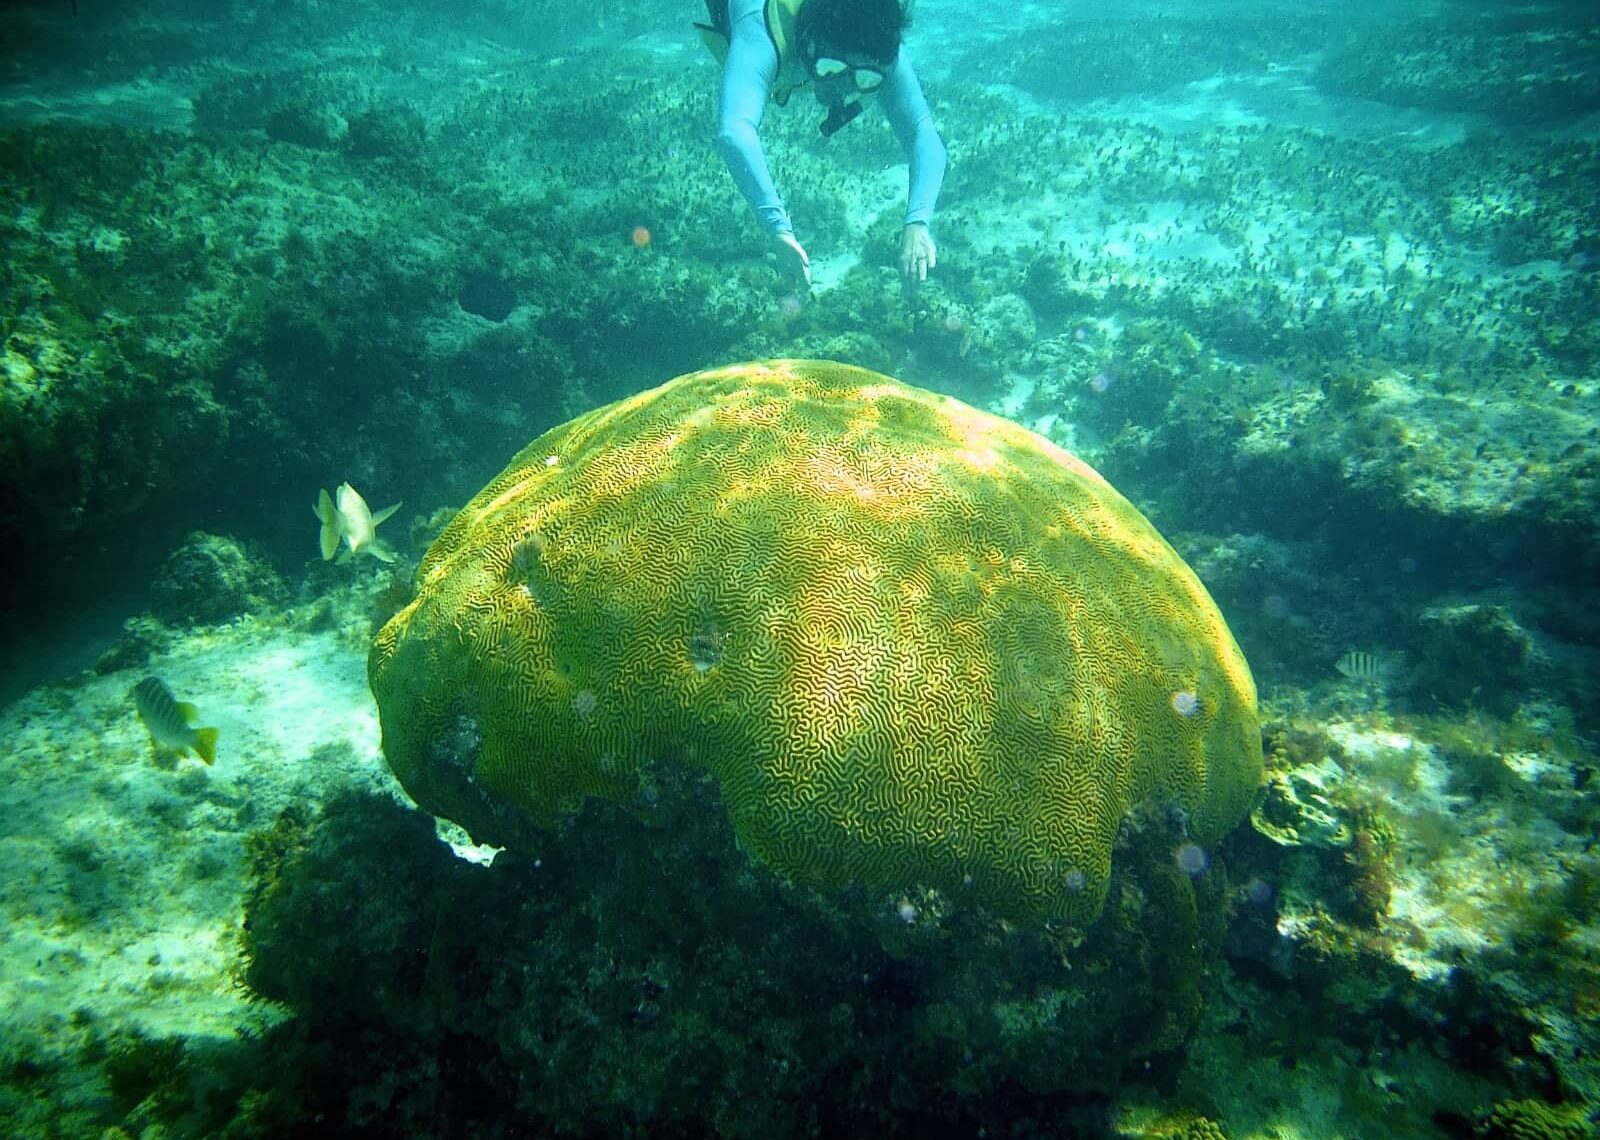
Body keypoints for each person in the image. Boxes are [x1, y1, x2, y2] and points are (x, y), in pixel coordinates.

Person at [696, 0, 947, 291]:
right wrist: (778, 228)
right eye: (830, 68)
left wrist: (918, 223)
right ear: (807, 40)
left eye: (865, 78)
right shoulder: (762, 30)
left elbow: (923, 134)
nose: (841, 88)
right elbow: (734, 131)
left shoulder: (876, 43)